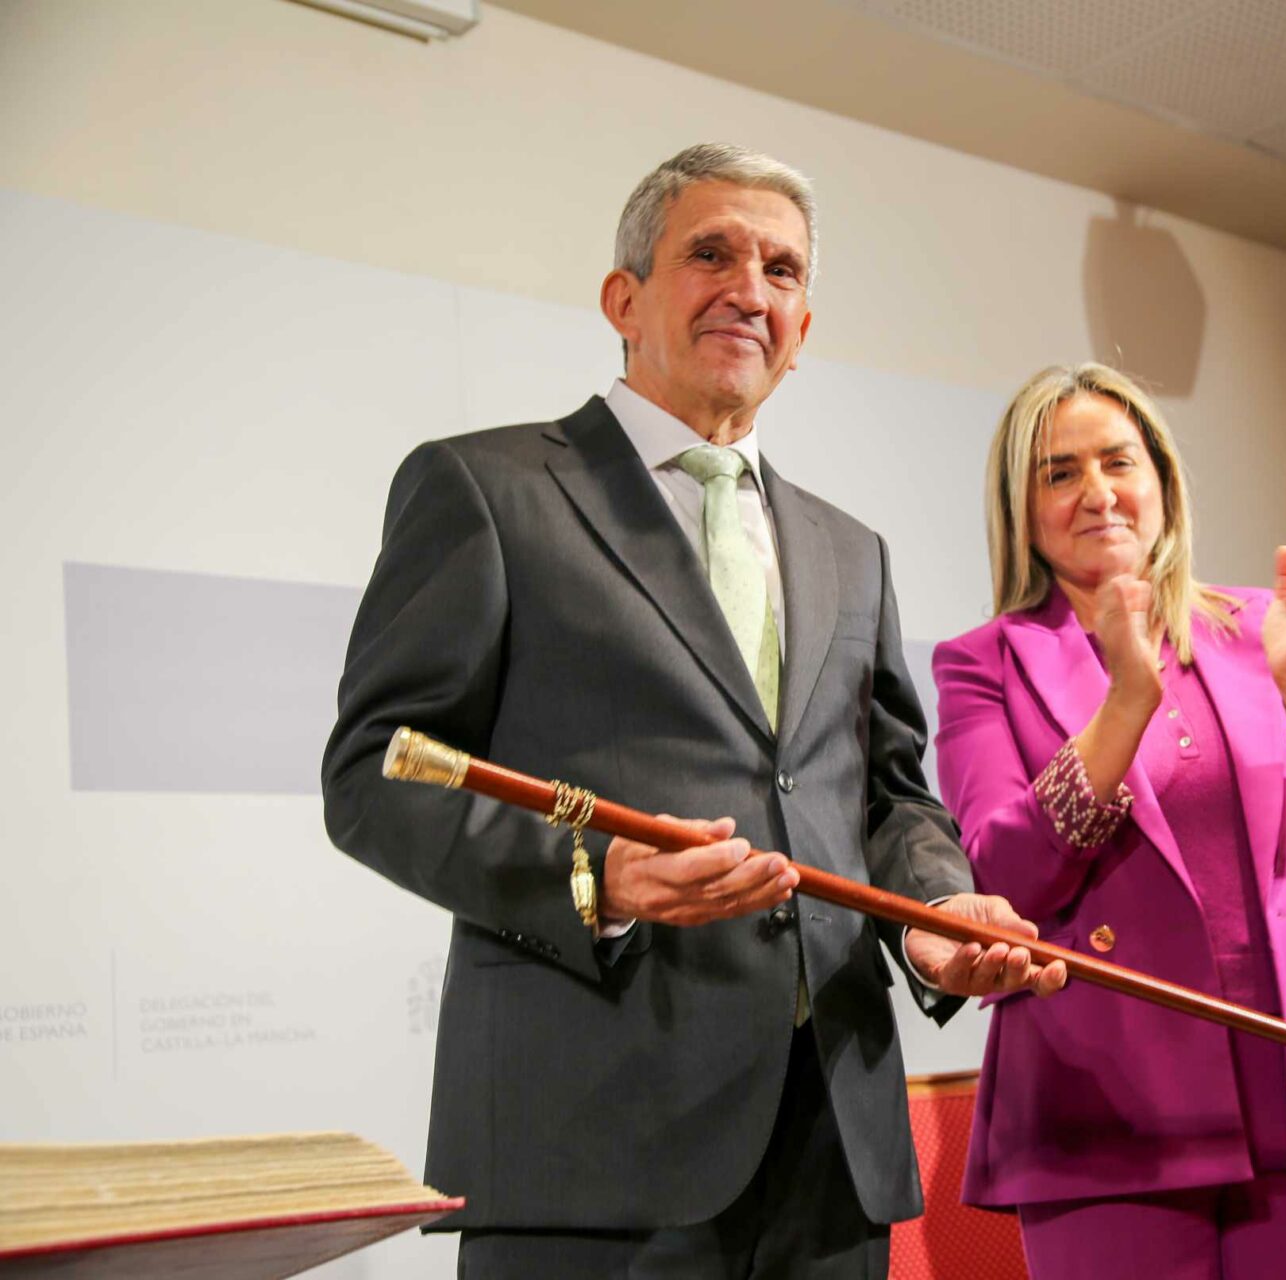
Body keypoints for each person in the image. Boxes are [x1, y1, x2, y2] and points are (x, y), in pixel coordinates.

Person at [321, 142, 1064, 1279]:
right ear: (624, 298)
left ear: (804, 330)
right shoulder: (487, 489)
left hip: (836, 1151)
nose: (750, 289)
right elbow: (378, 771)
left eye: (783, 270)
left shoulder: (849, 548)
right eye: (710, 253)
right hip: (593, 1144)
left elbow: (889, 795)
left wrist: (936, 912)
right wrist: (596, 874)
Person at [930, 363, 1286, 1280]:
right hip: (1107, 1099)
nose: (1097, 493)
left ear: (1161, 479)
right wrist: (1125, 703)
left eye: (1118, 461)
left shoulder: (1259, 625)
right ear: (1022, 505)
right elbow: (1003, 871)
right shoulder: (984, 663)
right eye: (1058, 473)